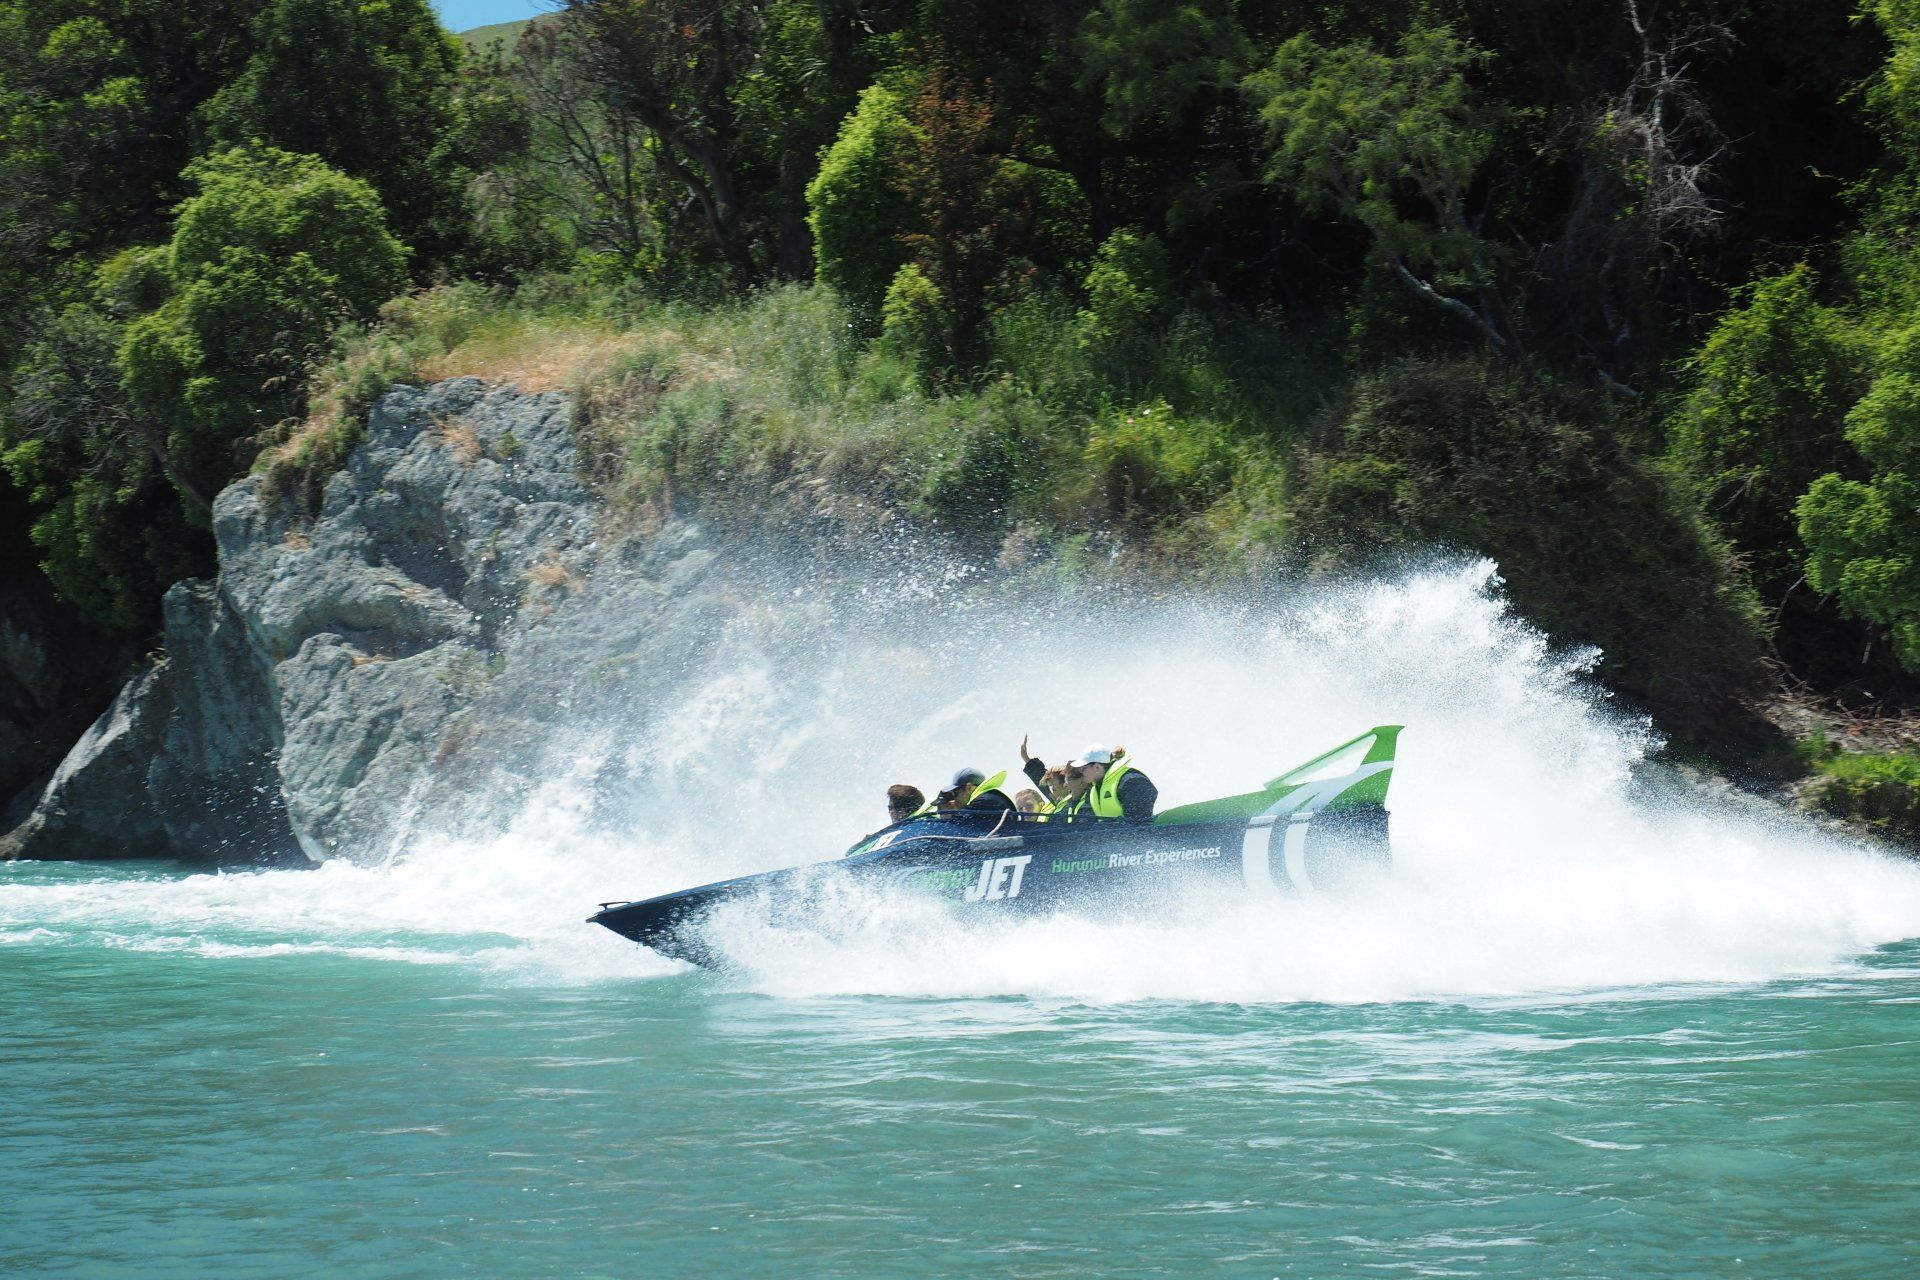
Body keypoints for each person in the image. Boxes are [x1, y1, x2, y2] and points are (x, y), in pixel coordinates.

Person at [1066, 744, 1156, 822]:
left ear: (1097, 767)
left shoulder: (1132, 781)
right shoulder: (1093, 790)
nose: (1081, 772)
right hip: (1112, 836)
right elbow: (1087, 823)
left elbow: (1138, 823)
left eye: (1083, 768)